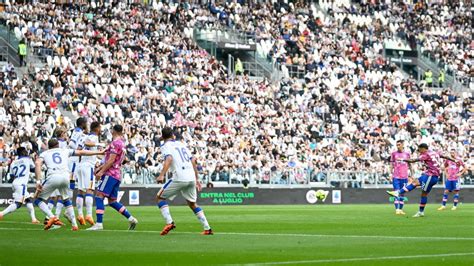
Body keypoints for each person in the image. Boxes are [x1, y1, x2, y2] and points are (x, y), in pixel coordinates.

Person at [34, 139, 104, 230]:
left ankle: (52, 217)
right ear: (58, 145)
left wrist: (38, 181)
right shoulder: (65, 150)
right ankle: (74, 225)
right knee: (66, 199)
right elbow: (82, 152)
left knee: (38, 200)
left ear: (48, 146)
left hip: (53, 176)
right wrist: (99, 152)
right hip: (66, 177)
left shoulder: (45, 153)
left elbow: (37, 163)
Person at [156, 127, 213, 236]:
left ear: (163, 137)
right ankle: (207, 228)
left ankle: (169, 223)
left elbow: (169, 159)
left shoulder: (165, 146)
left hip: (180, 177)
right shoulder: (182, 144)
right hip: (191, 176)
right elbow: (193, 160)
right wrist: (197, 179)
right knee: (192, 204)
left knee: (159, 197)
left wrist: (161, 175)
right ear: (173, 135)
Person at [87, 124, 138, 231]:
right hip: (117, 174)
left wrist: (101, 171)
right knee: (112, 201)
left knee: (99, 196)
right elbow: (115, 160)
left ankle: (99, 223)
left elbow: (111, 160)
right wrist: (100, 167)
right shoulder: (122, 144)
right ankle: (131, 218)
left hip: (110, 174)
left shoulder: (115, 143)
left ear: (113, 131)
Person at [387, 143, 457, 218]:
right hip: (429, 175)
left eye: (420, 150)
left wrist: (402, 159)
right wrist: (453, 159)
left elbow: (412, 160)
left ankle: (420, 211)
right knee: (415, 182)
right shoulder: (435, 152)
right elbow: (444, 156)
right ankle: (398, 193)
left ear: (423, 148)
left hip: (431, 176)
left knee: (424, 194)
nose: (419, 152)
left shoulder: (426, 154)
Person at [0, 147, 39, 224]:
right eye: (25, 151)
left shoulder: (13, 162)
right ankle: (1, 213)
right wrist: (34, 159)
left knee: (28, 200)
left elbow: (11, 175)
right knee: (18, 204)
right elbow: (34, 169)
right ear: (23, 152)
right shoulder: (28, 159)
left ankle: (34, 219)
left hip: (15, 182)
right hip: (22, 184)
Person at [76, 121, 101, 225]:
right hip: (88, 166)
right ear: (96, 128)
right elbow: (87, 143)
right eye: (100, 127)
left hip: (81, 165)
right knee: (89, 190)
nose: (101, 130)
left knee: (80, 191)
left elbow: (78, 149)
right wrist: (99, 144)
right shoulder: (93, 137)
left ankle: (80, 214)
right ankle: (89, 215)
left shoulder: (82, 137)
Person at [389, 140, 412, 215]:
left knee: (402, 193)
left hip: (404, 177)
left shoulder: (407, 154)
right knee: (396, 192)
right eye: (397, 145)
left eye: (399, 144)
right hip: (396, 176)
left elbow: (410, 164)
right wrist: (390, 174)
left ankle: (401, 209)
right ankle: (397, 209)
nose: (398, 146)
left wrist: (412, 174)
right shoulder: (393, 154)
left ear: (402, 145)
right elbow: (391, 164)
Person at [69, 118, 87, 200]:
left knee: (73, 181)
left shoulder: (80, 132)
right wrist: (77, 151)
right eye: (86, 122)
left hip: (76, 160)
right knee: (71, 181)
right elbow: (71, 143)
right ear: (82, 123)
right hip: (73, 159)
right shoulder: (77, 132)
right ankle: (67, 207)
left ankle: (67, 208)